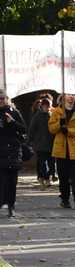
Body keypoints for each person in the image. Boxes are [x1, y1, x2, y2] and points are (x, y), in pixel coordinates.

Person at [49, 94, 75, 210]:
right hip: (61, 150)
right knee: (63, 177)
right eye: (68, 95)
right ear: (64, 97)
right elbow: (51, 129)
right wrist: (59, 125)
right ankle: (65, 199)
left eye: (73, 95)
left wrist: (69, 130)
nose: (71, 97)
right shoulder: (57, 111)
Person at [0, 89, 27, 218]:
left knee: (12, 181)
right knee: (2, 180)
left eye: (3, 98)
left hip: (14, 151)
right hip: (1, 151)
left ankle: (11, 205)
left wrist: (12, 122)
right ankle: (2, 202)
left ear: (7, 99)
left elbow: (24, 129)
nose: (1, 101)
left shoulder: (14, 113)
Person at [29, 96, 56, 190]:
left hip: (51, 143)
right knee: (42, 163)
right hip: (40, 144)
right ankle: (45, 178)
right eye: (45, 105)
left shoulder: (53, 115)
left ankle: (48, 176)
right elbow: (32, 129)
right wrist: (31, 141)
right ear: (42, 106)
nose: (46, 107)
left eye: (48, 105)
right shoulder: (37, 115)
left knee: (52, 163)